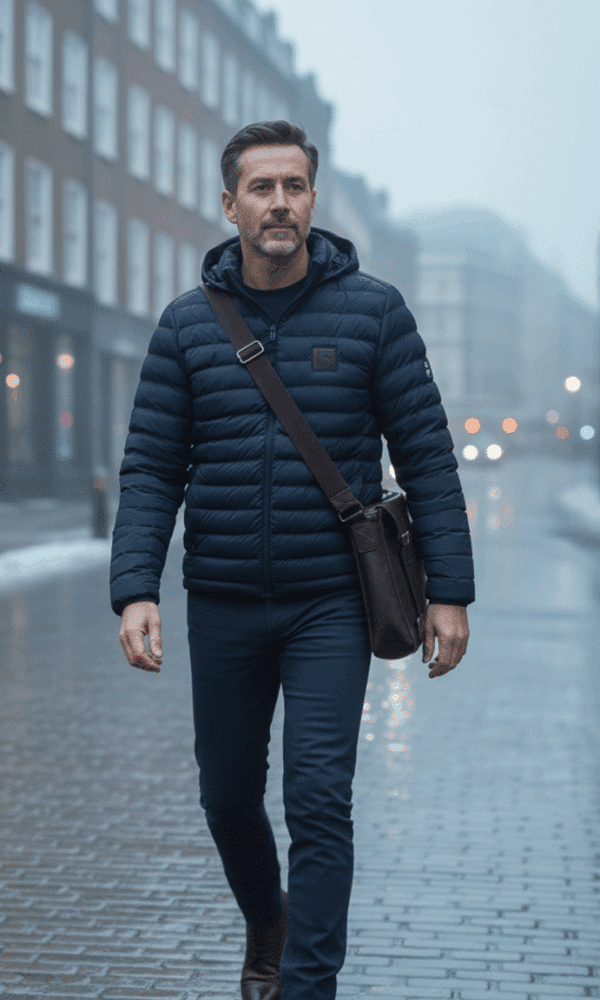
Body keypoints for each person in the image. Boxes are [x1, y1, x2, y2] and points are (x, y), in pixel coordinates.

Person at [110, 120, 474, 1000]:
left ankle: (306, 983)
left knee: (318, 800)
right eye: (261, 188)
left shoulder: (374, 312)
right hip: (225, 600)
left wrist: (451, 594)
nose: (279, 202)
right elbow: (154, 465)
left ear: (313, 198)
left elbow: (425, 454)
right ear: (229, 203)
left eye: (295, 186)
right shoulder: (188, 326)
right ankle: (266, 918)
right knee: (227, 797)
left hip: (332, 605)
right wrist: (135, 589)